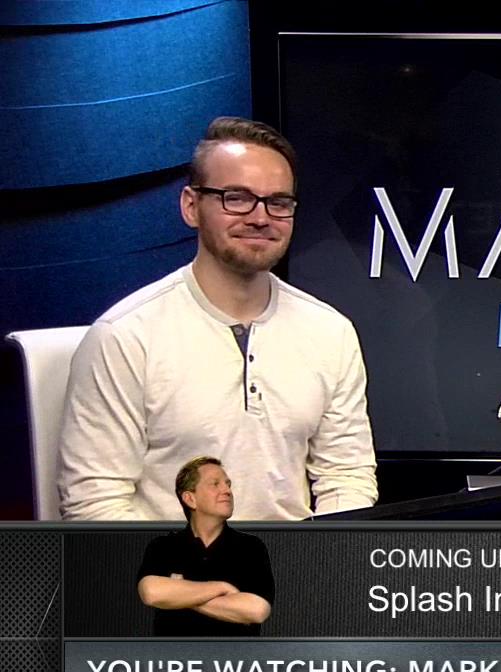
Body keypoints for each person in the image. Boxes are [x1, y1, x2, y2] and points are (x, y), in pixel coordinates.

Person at [58, 116, 378, 520]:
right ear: (191, 206)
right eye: (236, 198)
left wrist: (329, 553)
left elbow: (346, 477)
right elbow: (94, 506)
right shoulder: (125, 336)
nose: (260, 217)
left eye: (279, 203)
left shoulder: (331, 332)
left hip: (296, 559)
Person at [137, 456, 274, 636]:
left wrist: (178, 594)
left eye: (228, 484)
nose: (227, 491)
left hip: (235, 654)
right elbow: (151, 592)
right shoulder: (163, 546)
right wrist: (221, 588)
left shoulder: (250, 547)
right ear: (190, 499)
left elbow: (257, 610)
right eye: (215, 484)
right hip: (175, 653)